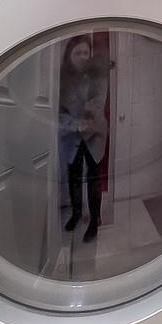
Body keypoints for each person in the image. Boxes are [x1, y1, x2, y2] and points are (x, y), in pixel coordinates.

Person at [57, 36, 109, 242]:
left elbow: (97, 103)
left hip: (94, 134)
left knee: (93, 178)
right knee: (74, 175)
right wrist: (74, 125)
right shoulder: (61, 79)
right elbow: (58, 111)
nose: (82, 57)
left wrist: (84, 122)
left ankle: (95, 220)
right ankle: (77, 213)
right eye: (77, 53)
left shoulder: (98, 75)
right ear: (69, 55)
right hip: (71, 135)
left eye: (85, 53)